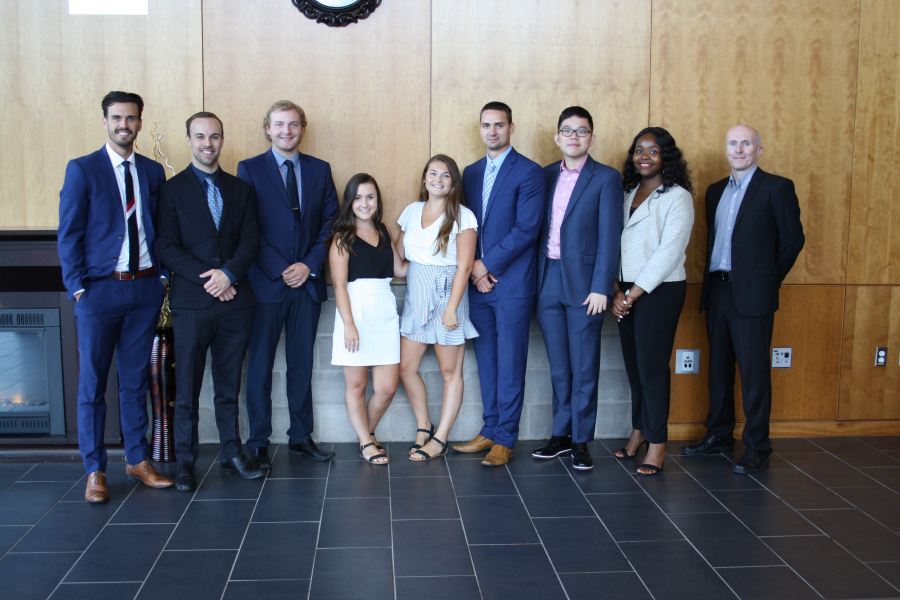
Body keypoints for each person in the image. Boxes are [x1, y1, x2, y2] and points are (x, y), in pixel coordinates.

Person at [58, 91, 173, 503]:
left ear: (141, 123)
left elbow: (159, 227)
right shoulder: (83, 170)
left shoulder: (153, 172)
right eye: (116, 117)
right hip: (99, 291)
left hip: (143, 289)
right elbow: (68, 234)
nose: (124, 124)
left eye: (131, 118)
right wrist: (78, 289)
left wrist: (160, 278)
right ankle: (94, 469)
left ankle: (137, 460)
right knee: (92, 384)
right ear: (105, 122)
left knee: (134, 380)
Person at [682, 125, 804, 474]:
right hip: (718, 290)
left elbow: (793, 241)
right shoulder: (715, 190)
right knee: (718, 368)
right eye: (733, 143)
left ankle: (757, 446)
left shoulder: (777, 188)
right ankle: (719, 434)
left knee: (753, 374)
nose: (738, 149)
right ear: (726, 149)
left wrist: (765, 281)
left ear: (758, 150)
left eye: (746, 143)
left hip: (753, 294)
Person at [158, 111, 262, 491]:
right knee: (185, 388)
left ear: (222, 139)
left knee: (227, 385)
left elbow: (251, 240)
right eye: (200, 136)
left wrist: (229, 274)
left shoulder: (241, 190)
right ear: (189, 140)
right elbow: (166, 247)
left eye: (214, 136)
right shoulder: (171, 191)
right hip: (192, 303)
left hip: (235, 304)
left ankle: (232, 453)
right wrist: (213, 279)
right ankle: (185, 461)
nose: (207, 143)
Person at [237, 101, 340, 469]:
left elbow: (330, 221)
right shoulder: (249, 170)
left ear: (302, 128)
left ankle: (300, 437)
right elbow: (247, 227)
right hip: (266, 284)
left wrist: (308, 265)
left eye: (293, 125)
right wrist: (283, 269)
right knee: (260, 366)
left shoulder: (320, 169)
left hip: (307, 285)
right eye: (279, 125)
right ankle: (259, 442)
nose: (286, 131)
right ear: (267, 128)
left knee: (301, 365)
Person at [453, 102, 545, 467]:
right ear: (479, 129)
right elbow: (466, 224)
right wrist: (475, 271)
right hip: (479, 286)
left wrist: (484, 266)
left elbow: (526, 229)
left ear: (511, 127)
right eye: (486, 125)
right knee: (487, 363)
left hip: (511, 285)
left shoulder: (530, 172)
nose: (492, 131)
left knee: (510, 363)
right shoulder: (470, 173)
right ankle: (490, 428)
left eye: (499, 125)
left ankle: (506, 438)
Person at [532, 106, 624, 472]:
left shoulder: (606, 178)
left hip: (586, 286)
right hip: (547, 280)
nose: (574, 137)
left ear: (592, 138)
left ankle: (582, 441)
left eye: (581, 131)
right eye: (567, 131)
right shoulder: (545, 175)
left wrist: (602, 285)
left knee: (584, 366)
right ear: (557, 137)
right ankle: (561, 435)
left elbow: (610, 235)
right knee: (558, 367)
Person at [611, 127, 694, 475]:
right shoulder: (627, 192)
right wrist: (617, 289)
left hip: (659, 291)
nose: (644, 156)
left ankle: (658, 443)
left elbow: (669, 252)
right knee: (634, 366)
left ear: (666, 157)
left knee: (652, 368)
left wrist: (632, 294)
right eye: (639, 150)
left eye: (653, 151)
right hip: (625, 290)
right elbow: (613, 242)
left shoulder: (677, 196)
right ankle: (639, 430)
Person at [397, 155, 479, 461]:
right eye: (433, 173)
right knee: (406, 368)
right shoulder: (411, 211)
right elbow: (400, 255)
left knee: (449, 371)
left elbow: (465, 266)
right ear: (424, 179)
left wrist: (452, 308)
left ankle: (441, 437)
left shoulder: (463, 216)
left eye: (446, 175)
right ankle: (424, 426)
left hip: (448, 293)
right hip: (416, 292)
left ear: (453, 182)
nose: (438, 179)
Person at [328, 174, 408, 464]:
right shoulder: (342, 238)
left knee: (387, 387)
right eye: (358, 197)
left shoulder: (384, 230)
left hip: (384, 309)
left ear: (378, 200)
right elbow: (339, 285)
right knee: (358, 386)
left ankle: (367, 434)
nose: (365, 203)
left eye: (370, 197)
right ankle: (365, 441)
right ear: (349, 202)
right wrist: (349, 324)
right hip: (355, 311)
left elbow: (399, 270)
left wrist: (430, 254)